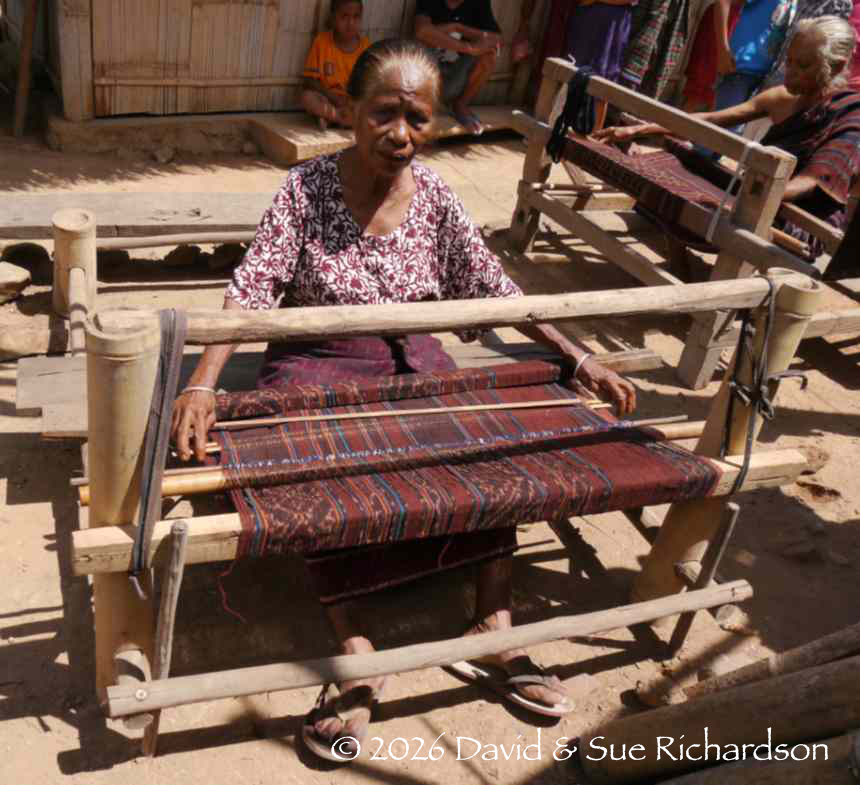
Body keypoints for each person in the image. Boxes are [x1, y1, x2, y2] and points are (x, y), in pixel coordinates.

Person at [172, 39, 637, 763]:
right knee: (318, 473)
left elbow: (496, 289)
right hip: (317, 359)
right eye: (384, 113)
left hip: (414, 358)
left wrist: (578, 353)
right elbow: (253, 289)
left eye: (417, 118)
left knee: (485, 449)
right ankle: (357, 653)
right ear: (351, 113)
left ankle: (494, 621)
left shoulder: (438, 195)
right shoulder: (306, 190)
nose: (400, 134)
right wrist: (203, 380)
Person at [597, 16, 860, 256]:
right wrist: (640, 129)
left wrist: (749, 199)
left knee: (704, 201)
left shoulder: (851, 113)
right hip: (758, 197)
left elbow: (813, 179)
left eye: (802, 65)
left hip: (799, 223)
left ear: (835, 67)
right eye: (789, 60)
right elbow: (711, 120)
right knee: (681, 155)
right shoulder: (782, 98)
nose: (789, 71)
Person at [414, 0, 504, 134]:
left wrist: (459, 28)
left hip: (457, 75)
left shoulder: (480, 3)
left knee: (489, 54)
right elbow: (422, 31)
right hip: (427, 78)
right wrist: (468, 47)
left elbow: (496, 40)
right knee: (421, 51)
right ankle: (419, 108)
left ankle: (461, 105)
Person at [712, 0, 798, 132]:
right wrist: (723, 49)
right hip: (740, 69)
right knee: (719, 131)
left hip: (764, 77)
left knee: (735, 133)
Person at [565, 0, 639, 130]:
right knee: (574, 69)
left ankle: (593, 135)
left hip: (613, 21)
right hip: (588, 15)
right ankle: (560, 127)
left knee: (603, 78)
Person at [301, 0, 370, 129]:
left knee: (369, 104)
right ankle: (338, 118)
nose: (350, 23)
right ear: (333, 18)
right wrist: (333, 98)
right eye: (344, 17)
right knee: (307, 97)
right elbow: (309, 81)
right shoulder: (322, 42)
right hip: (327, 99)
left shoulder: (366, 47)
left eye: (356, 17)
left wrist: (352, 101)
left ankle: (329, 118)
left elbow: (368, 84)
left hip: (351, 102)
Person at [682, 0, 746, 112]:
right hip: (723, 25)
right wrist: (723, 47)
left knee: (716, 99)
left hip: (737, 28)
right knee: (697, 94)